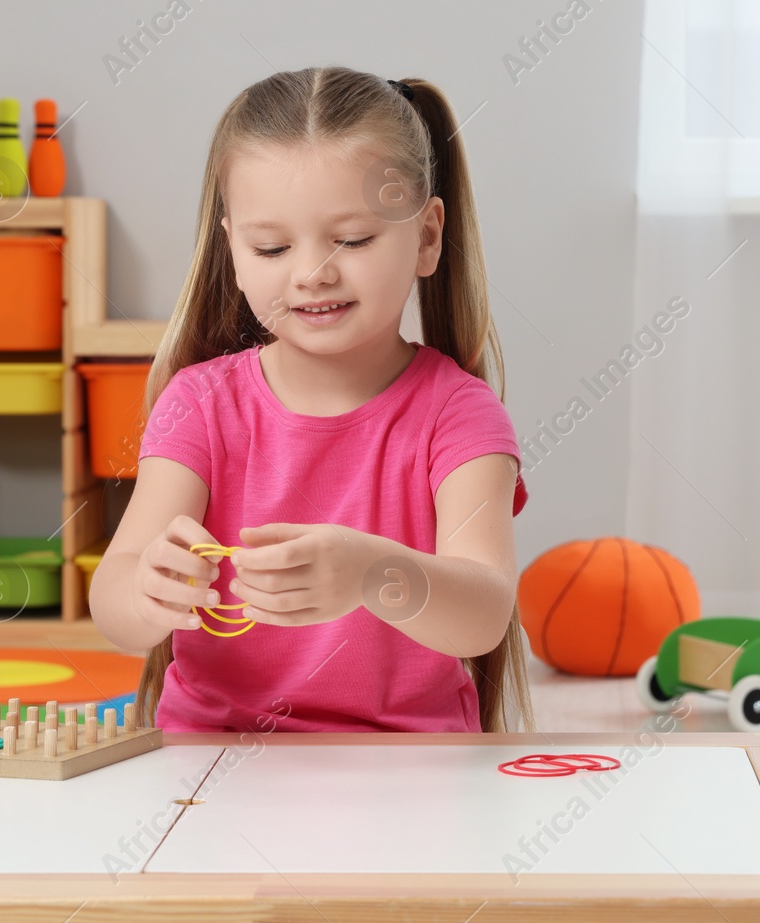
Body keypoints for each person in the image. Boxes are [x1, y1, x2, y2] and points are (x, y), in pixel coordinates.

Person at [88, 66, 533, 734]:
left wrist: (371, 573)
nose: (312, 272)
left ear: (428, 236)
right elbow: (114, 594)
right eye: (271, 246)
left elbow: (484, 612)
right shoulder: (200, 403)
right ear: (232, 248)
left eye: (353, 239)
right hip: (213, 757)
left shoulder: (459, 415)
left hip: (408, 766)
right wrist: (144, 590)